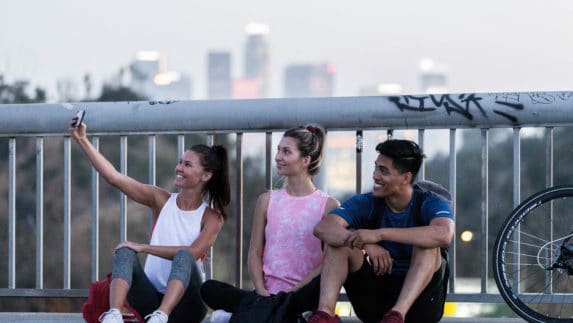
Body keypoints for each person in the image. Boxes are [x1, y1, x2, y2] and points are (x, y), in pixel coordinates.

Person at [70, 116, 231, 323]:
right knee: (125, 250)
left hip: (187, 307)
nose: (179, 168)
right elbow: (115, 178)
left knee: (183, 256)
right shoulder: (161, 199)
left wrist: (144, 248)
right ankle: (114, 315)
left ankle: (162, 316)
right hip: (149, 301)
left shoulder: (211, 218)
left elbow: (192, 253)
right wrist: (82, 139)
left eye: (187, 165)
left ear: (205, 176)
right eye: (180, 162)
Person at [200, 125, 339, 322]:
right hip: (266, 292)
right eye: (278, 150)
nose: (278, 157)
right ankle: (270, 309)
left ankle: (246, 312)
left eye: (286, 152)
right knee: (209, 288)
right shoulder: (267, 200)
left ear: (305, 160)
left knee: (291, 300)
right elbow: (255, 252)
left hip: (302, 293)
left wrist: (293, 291)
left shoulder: (328, 205)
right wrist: (261, 289)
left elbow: (328, 262)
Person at [307, 139, 455, 323]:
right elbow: (324, 227)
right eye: (376, 168)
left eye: (383, 171)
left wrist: (379, 234)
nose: (375, 176)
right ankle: (325, 315)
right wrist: (366, 243)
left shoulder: (429, 202)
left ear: (406, 178)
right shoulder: (367, 202)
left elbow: (444, 234)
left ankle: (397, 315)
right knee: (338, 244)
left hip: (420, 306)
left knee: (428, 244)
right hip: (377, 300)